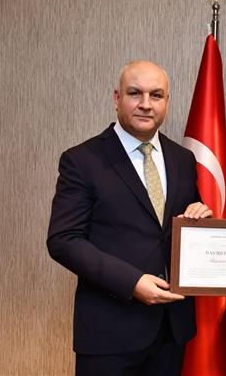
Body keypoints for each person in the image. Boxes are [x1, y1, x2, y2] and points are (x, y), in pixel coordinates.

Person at [47, 60, 212, 375]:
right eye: (135, 93)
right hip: (110, 331)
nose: (146, 104)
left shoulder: (182, 159)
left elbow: (178, 226)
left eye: (156, 95)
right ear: (117, 98)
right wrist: (132, 282)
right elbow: (63, 240)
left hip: (171, 331)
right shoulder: (82, 160)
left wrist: (200, 218)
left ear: (167, 101)